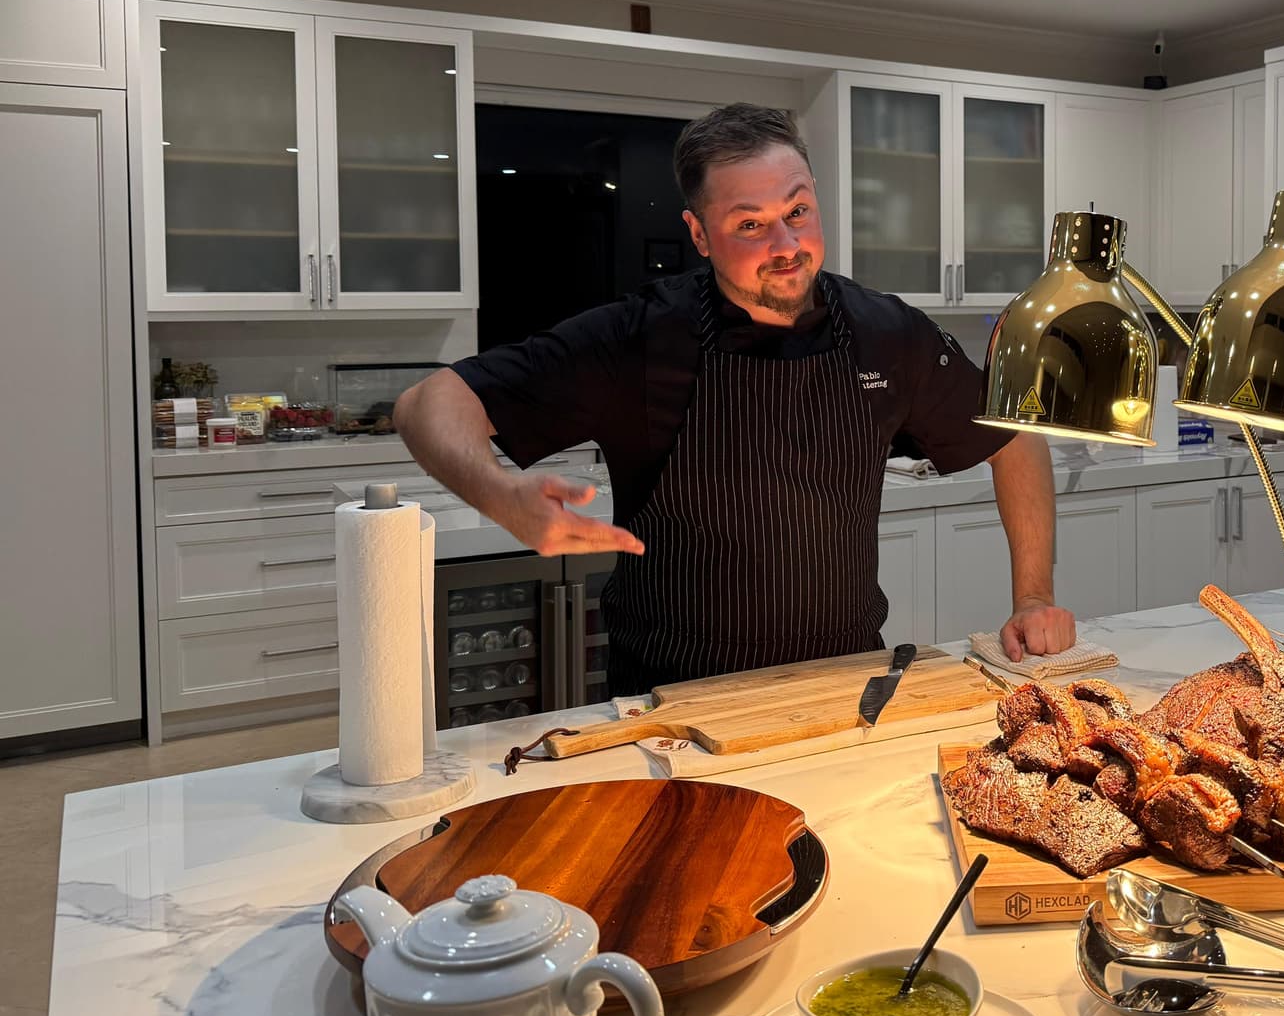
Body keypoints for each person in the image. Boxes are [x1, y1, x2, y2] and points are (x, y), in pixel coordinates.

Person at [394, 103, 1071, 694]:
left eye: (798, 211)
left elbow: (1012, 436)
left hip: (845, 691)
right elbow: (426, 403)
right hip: (672, 705)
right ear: (698, 234)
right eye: (749, 225)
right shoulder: (636, 338)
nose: (787, 246)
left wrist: (1034, 596)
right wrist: (497, 493)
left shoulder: (886, 334)